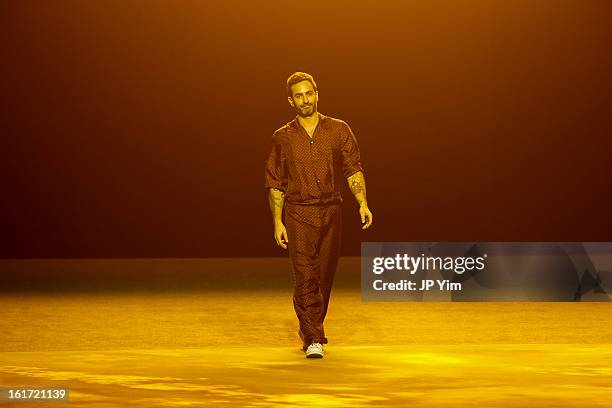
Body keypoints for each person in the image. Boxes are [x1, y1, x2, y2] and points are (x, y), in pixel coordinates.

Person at [264, 72, 373, 358]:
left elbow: (353, 167)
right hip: (298, 212)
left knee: (324, 276)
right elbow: (275, 182)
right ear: (291, 101)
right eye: (298, 96)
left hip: (331, 211)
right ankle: (314, 336)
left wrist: (362, 202)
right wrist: (277, 222)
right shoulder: (282, 137)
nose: (305, 100)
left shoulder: (338, 130)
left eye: (308, 93)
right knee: (305, 275)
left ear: (317, 93)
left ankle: (310, 325)